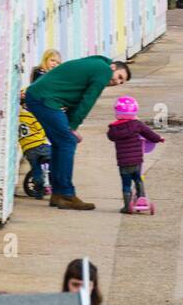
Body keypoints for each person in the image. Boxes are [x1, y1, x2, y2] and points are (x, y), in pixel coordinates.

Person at [25, 56, 131, 210]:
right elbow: (88, 101)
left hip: (39, 96)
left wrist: (69, 125)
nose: (117, 82)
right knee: (68, 142)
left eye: (121, 83)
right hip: (45, 99)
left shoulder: (97, 64)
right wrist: (73, 126)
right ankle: (67, 194)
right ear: (113, 67)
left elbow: (78, 97)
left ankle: (57, 194)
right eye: (119, 77)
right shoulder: (103, 71)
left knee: (60, 144)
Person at [106, 94, 163, 213]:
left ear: (117, 113)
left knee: (126, 184)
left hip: (123, 163)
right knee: (138, 179)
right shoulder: (137, 124)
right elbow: (149, 134)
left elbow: (110, 137)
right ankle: (141, 198)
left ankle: (127, 206)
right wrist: (159, 139)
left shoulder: (113, 128)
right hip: (137, 162)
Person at [18, 91, 50, 199]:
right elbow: (40, 129)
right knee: (55, 159)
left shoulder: (14, 119)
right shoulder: (29, 116)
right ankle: (47, 159)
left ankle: (39, 191)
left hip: (27, 148)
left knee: (36, 169)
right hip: (39, 144)